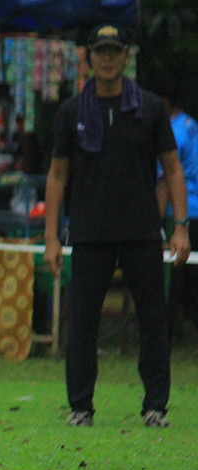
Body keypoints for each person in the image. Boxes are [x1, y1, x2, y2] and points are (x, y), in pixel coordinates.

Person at [43, 24, 190, 428]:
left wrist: (180, 226)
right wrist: (51, 237)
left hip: (143, 231)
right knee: (83, 324)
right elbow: (57, 175)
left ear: (127, 56)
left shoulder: (149, 108)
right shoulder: (72, 111)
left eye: (115, 51)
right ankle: (81, 407)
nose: (107, 58)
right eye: (100, 51)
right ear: (89, 56)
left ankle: (155, 406)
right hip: (90, 233)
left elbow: (173, 169)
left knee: (153, 321)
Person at [148, 73, 198, 340]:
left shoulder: (171, 133)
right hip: (195, 210)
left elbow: (166, 182)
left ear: (162, 101)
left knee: (171, 283)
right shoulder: (190, 124)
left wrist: (154, 226)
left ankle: (163, 337)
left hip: (180, 214)